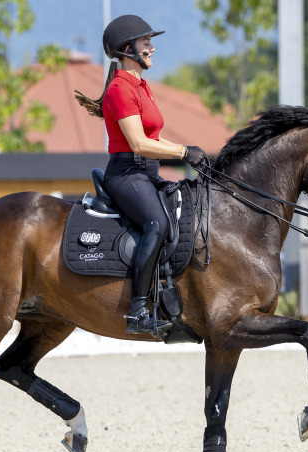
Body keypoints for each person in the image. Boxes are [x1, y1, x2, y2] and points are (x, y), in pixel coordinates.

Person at [74, 15, 208, 336]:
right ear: (127, 49)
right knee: (157, 224)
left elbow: (153, 137)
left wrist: (187, 151)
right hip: (126, 174)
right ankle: (137, 311)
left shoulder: (140, 86)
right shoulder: (120, 89)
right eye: (146, 43)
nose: (152, 48)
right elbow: (137, 142)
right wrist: (182, 153)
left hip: (146, 172)